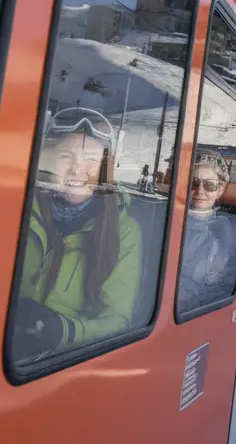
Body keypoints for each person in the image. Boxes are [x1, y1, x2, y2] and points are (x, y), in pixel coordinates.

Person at [12, 107, 143, 365]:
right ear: (49, 161)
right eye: (65, 156)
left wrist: (63, 331)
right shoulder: (19, 207)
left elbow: (117, 320)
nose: (76, 169)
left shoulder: (124, 231)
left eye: (91, 160)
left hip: (65, 362)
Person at [177, 153, 236, 313]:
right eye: (194, 183)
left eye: (210, 185)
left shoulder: (223, 232)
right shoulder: (167, 220)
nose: (200, 190)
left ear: (220, 189)